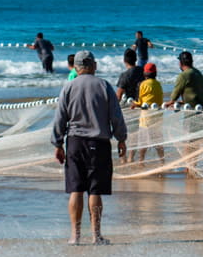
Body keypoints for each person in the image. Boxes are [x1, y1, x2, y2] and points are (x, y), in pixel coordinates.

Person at [51, 51, 128, 244]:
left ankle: (74, 236)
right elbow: (116, 116)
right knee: (95, 190)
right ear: (93, 65)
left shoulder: (68, 87)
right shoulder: (104, 86)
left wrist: (58, 143)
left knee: (75, 189)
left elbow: (60, 118)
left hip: (75, 142)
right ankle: (96, 235)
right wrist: (121, 139)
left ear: (76, 68)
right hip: (99, 143)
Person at [134, 62, 165, 164]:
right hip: (158, 117)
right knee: (158, 141)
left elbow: (140, 102)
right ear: (155, 73)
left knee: (144, 142)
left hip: (146, 118)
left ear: (144, 73)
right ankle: (162, 161)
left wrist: (134, 104)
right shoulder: (158, 84)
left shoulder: (143, 84)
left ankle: (141, 162)